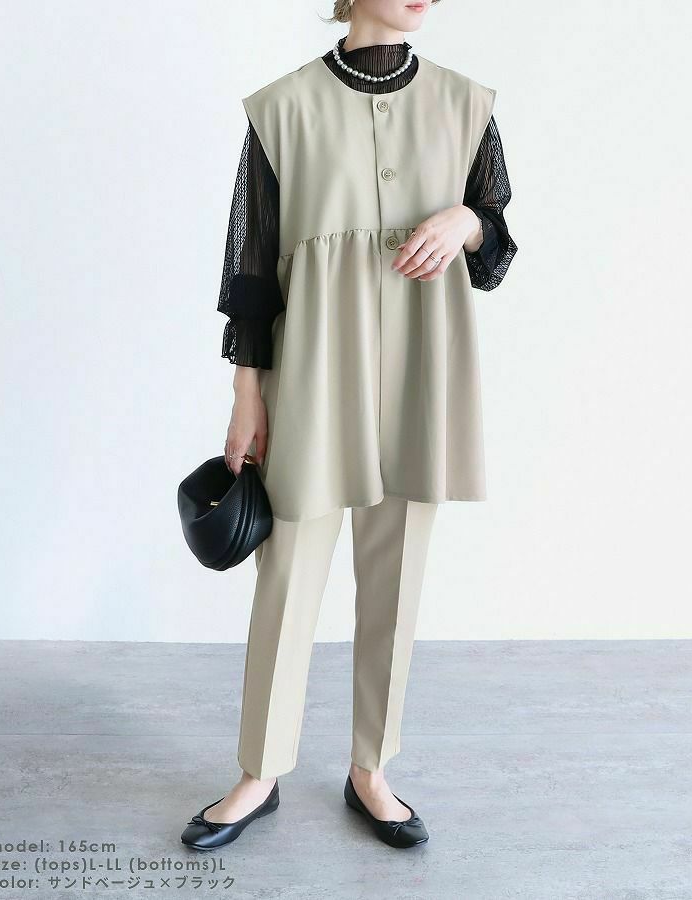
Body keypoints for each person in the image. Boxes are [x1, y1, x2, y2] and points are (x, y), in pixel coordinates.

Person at [181, 0, 517, 851]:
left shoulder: (466, 103)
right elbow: (250, 271)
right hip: (312, 367)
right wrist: (247, 392)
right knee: (288, 570)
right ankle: (260, 772)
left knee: (397, 575)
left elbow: (496, 246)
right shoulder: (281, 109)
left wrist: (467, 221)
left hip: (421, 367)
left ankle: (372, 769)